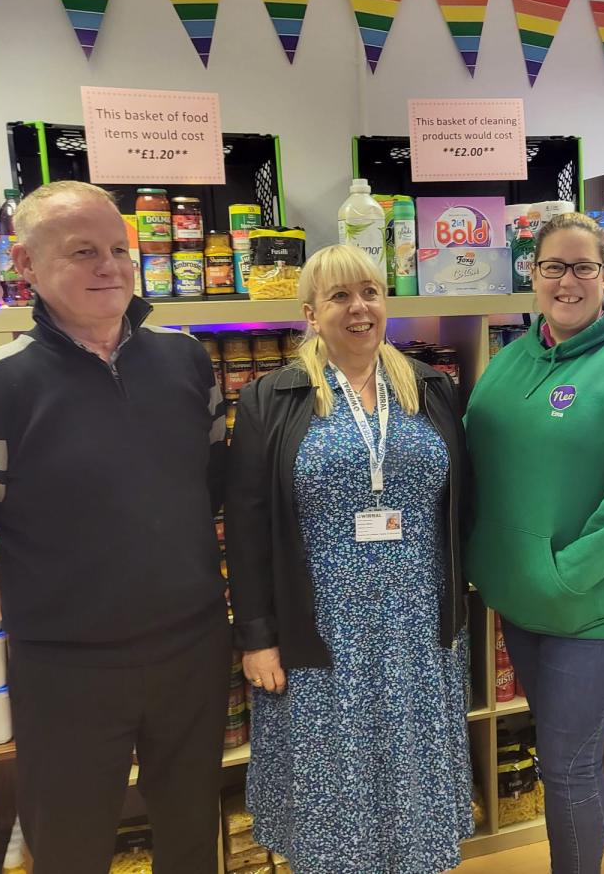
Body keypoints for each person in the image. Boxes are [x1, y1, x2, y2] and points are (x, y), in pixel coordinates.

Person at [0, 181, 230, 873]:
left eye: (119, 248)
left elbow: (210, 491)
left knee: (193, 835)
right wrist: (31, 609)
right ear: (23, 264)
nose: (109, 265)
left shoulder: (186, 361)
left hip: (193, 652)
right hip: (67, 672)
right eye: (83, 251)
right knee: (71, 847)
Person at [225, 244, 472, 874]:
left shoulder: (431, 388)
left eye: (370, 292)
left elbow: (463, 502)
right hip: (320, 628)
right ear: (311, 311)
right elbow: (247, 527)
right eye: (339, 296)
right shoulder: (269, 399)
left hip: (418, 625)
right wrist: (257, 638)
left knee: (413, 772)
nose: (358, 307)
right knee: (331, 780)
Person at [465, 213, 604, 874]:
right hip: (525, 603)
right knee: (562, 755)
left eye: (582, 266)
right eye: (553, 267)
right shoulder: (509, 363)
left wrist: (568, 573)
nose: (568, 281)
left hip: (601, 606)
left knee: (565, 765)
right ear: (532, 276)